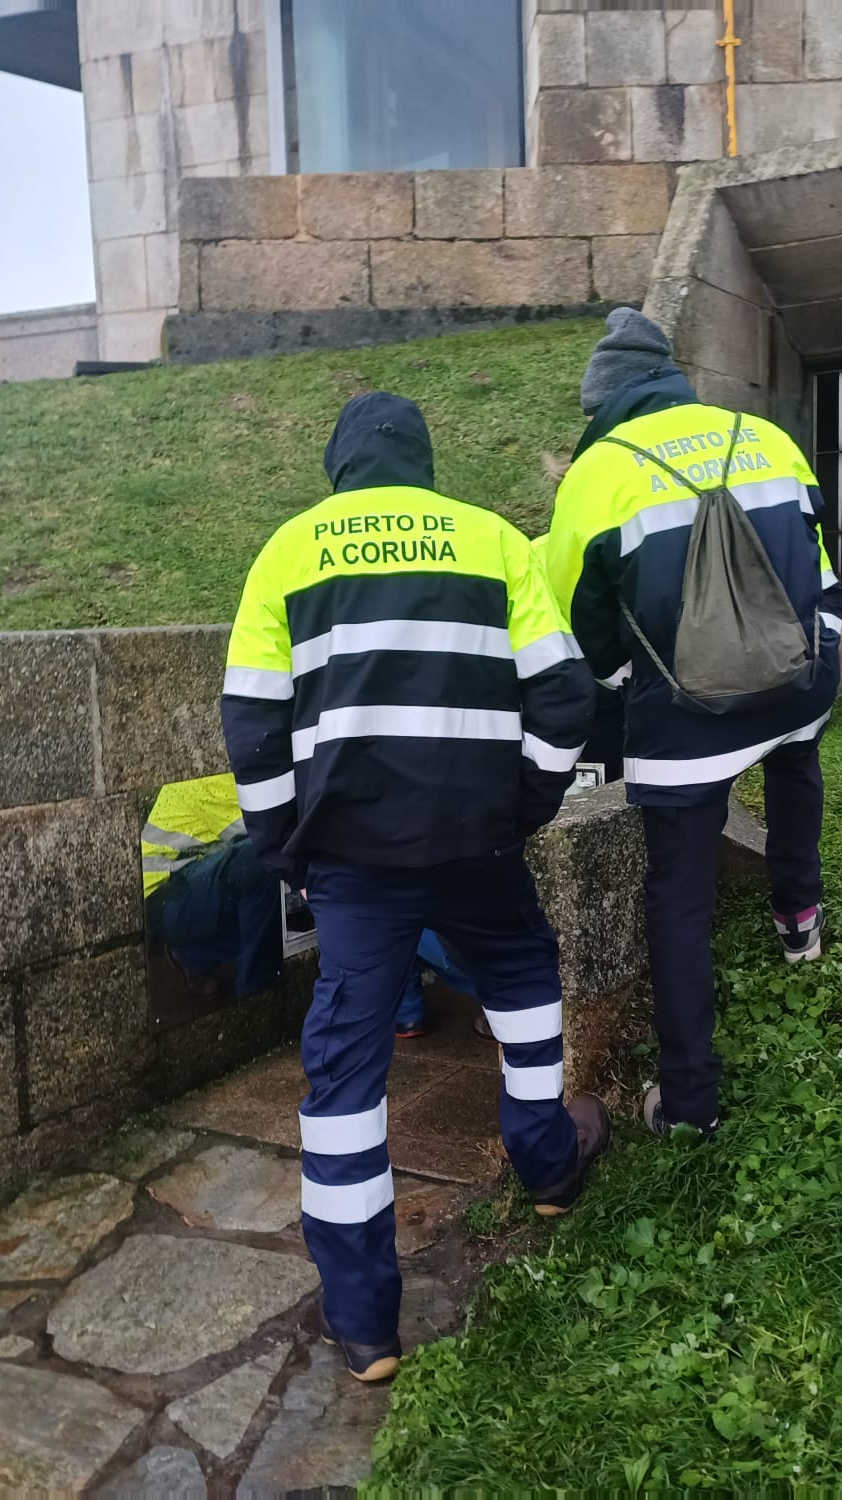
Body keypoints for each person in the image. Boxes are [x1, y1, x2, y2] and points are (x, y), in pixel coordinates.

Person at [221, 391, 609, 1382]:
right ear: (421, 462)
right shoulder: (490, 541)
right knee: (523, 984)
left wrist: (283, 845)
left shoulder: (287, 553)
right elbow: (563, 692)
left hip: (350, 858)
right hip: (474, 838)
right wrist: (522, 800)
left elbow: (254, 723)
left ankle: (363, 1324)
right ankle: (548, 1163)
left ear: (340, 464)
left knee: (345, 1072)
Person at [539, 308, 842, 1139]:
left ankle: (691, 1102)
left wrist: (629, 680)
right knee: (795, 770)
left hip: (685, 717)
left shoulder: (597, 475)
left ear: (604, 404)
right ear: (672, 380)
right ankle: (799, 920)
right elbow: (818, 556)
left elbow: (578, 619)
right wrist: (825, 645)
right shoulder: (765, 435)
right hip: (794, 680)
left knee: (678, 893)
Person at [141, 772, 282, 999]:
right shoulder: (222, 773)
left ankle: (193, 956)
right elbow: (266, 827)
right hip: (161, 897)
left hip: (185, 885)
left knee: (263, 905)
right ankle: (258, 994)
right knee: (260, 863)